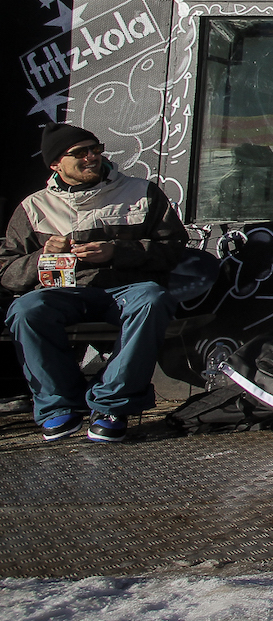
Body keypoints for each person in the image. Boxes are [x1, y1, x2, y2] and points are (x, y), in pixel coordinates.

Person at [2, 122, 188, 442]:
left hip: (127, 288)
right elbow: (7, 271)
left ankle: (113, 404)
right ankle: (59, 405)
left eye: (96, 149)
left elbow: (173, 249)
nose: (92, 158)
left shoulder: (140, 191)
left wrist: (118, 251)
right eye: (80, 153)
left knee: (154, 299)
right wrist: (42, 256)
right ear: (56, 163)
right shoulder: (33, 207)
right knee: (26, 309)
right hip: (64, 291)